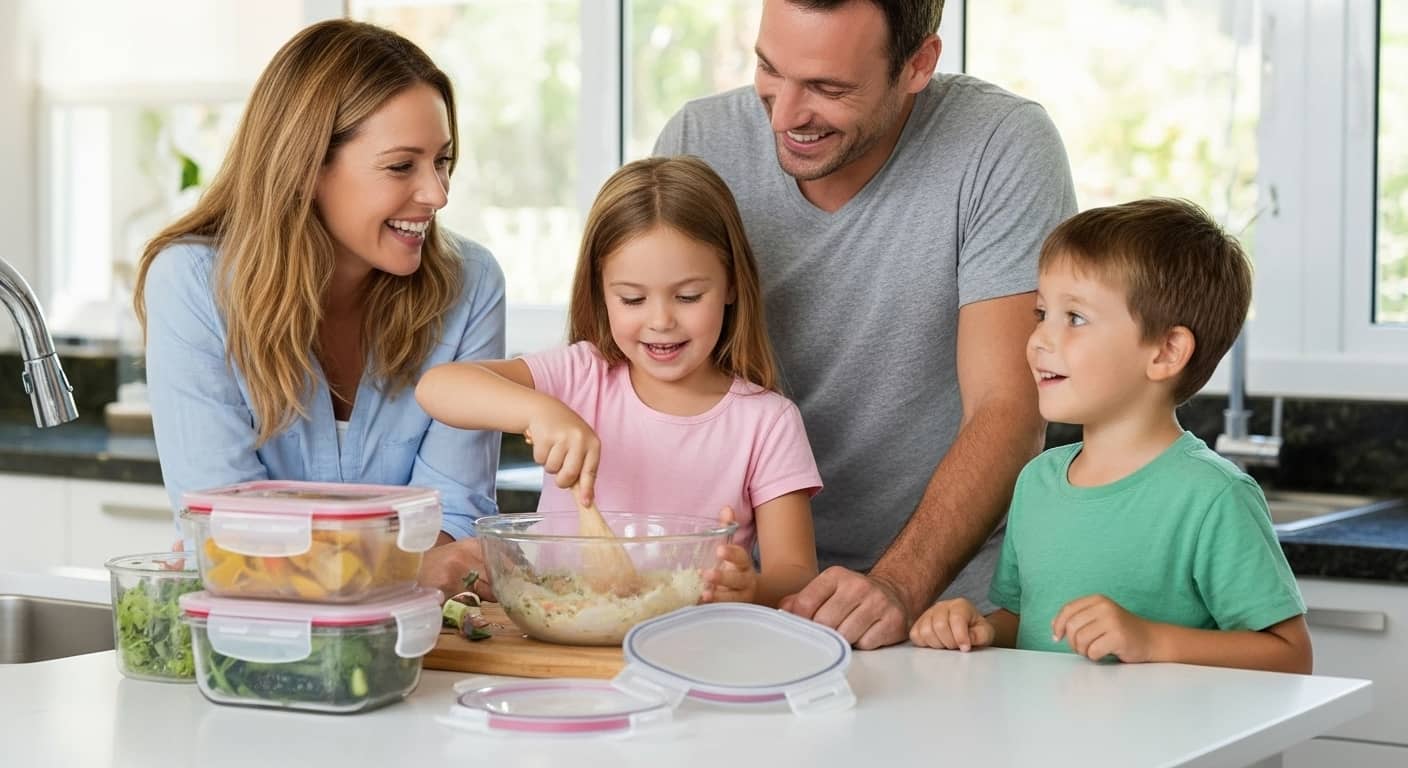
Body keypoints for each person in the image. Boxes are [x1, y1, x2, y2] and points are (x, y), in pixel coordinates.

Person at [653, 0, 1077, 646]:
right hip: (741, 602)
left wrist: (898, 585)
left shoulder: (1000, 146)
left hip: (947, 613)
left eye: (827, 88)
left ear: (918, 65)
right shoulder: (698, 144)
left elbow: (1008, 408)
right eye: (769, 69)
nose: (786, 115)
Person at [133, 20, 504, 599]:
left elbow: (454, 521)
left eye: (443, 161)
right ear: (307, 167)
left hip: (412, 650)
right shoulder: (193, 284)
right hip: (253, 650)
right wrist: (405, 567)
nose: (437, 193)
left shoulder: (470, 284)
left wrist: (298, 562)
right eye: (402, 166)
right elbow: (227, 531)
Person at [910, 199, 1312, 673]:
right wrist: (976, 629)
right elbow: (1025, 624)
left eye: (1074, 318)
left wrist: (1151, 639)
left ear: (1166, 352)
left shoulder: (1212, 497)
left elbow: (1291, 656)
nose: (1038, 339)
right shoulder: (1037, 482)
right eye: (1042, 313)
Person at [416, 156, 821, 606]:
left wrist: (751, 588)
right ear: (601, 292)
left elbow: (797, 575)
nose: (661, 320)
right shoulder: (580, 376)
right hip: (562, 632)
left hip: (694, 646)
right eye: (632, 298)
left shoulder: (767, 422)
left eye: (688, 296)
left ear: (730, 285)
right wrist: (540, 410)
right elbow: (437, 387)